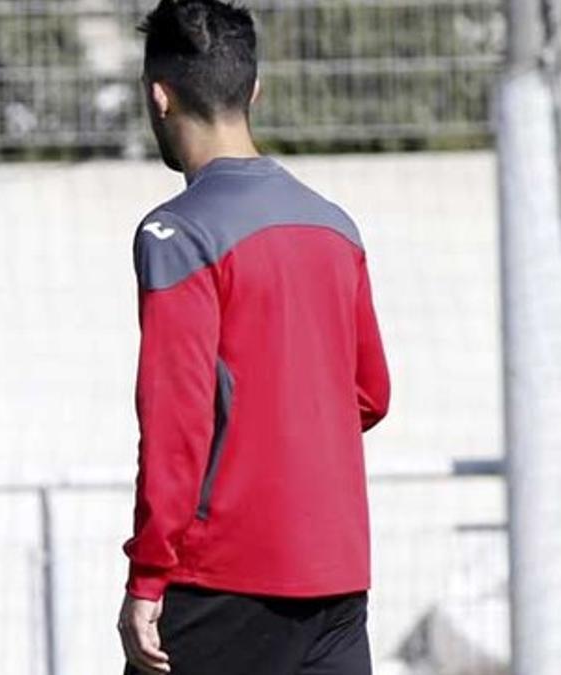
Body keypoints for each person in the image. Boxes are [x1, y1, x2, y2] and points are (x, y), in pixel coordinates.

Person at [116, 2, 391, 674]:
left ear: (159, 96)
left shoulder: (177, 233)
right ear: (254, 92)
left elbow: (177, 422)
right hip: (337, 581)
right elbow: (371, 393)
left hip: (222, 582)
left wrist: (147, 577)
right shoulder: (335, 227)